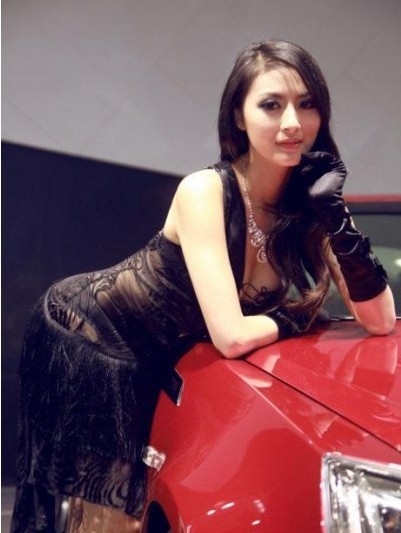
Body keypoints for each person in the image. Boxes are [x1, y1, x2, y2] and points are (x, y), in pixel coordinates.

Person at [11, 39, 395, 532]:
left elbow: (379, 319)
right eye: (271, 105)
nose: (292, 123)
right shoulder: (204, 191)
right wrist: (295, 316)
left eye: (307, 104)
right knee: (104, 520)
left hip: (159, 352)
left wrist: (335, 215)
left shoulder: (311, 207)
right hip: (92, 334)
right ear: (238, 117)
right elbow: (231, 336)